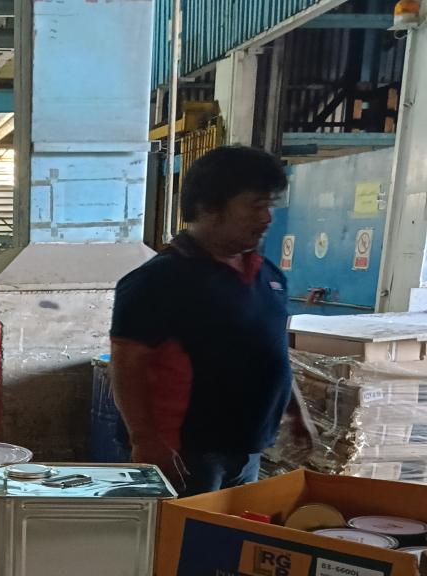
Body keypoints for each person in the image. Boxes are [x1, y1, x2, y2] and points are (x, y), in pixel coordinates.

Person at [109, 145, 316, 495]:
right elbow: (126, 366)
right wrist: (144, 440)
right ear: (208, 207)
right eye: (255, 206)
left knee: (230, 530)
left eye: (269, 206)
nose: (267, 218)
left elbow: (273, 351)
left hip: (248, 450)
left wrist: (297, 412)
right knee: (183, 531)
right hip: (184, 456)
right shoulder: (158, 280)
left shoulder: (268, 275)